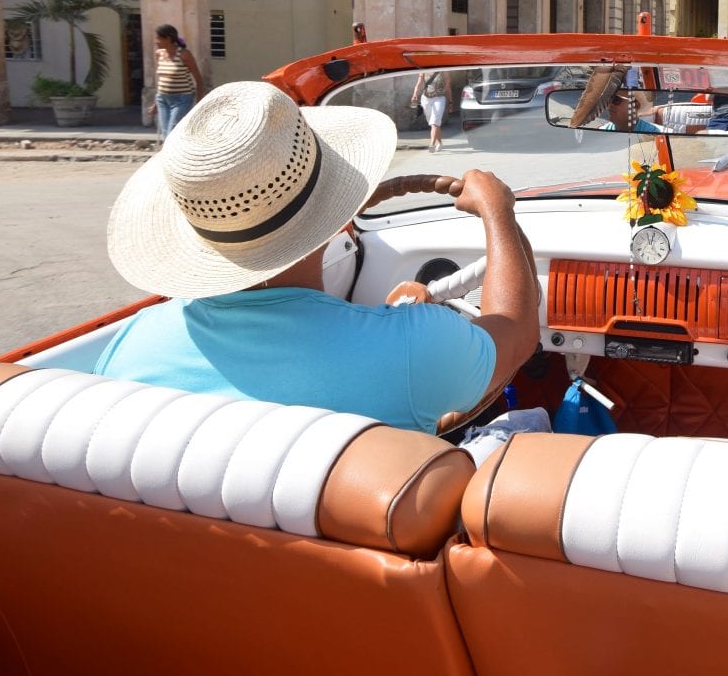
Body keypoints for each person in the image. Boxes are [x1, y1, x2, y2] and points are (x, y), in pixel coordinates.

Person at [94, 82, 541, 432]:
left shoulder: (130, 347)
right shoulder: (415, 347)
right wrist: (497, 214)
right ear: (340, 217)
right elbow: (518, 331)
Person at [147, 24, 205, 140]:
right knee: (165, 133)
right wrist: (155, 104)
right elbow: (162, 80)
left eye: (158, 38)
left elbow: (198, 78)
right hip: (163, 99)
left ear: (168, 39)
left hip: (182, 99)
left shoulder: (184, 54)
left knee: (172, 132)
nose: (156, 41)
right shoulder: (159, 54)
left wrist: (199, 103)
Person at [412, 69, 449, 153]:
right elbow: (419, 82)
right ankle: (439, 142)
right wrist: (415, 94)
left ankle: (431, 144)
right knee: (433, 122)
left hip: (439, 98)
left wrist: (445, 93)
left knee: (435, 121)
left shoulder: (443, 70)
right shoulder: (424, 69)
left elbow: (447, 83)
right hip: (426, 98)